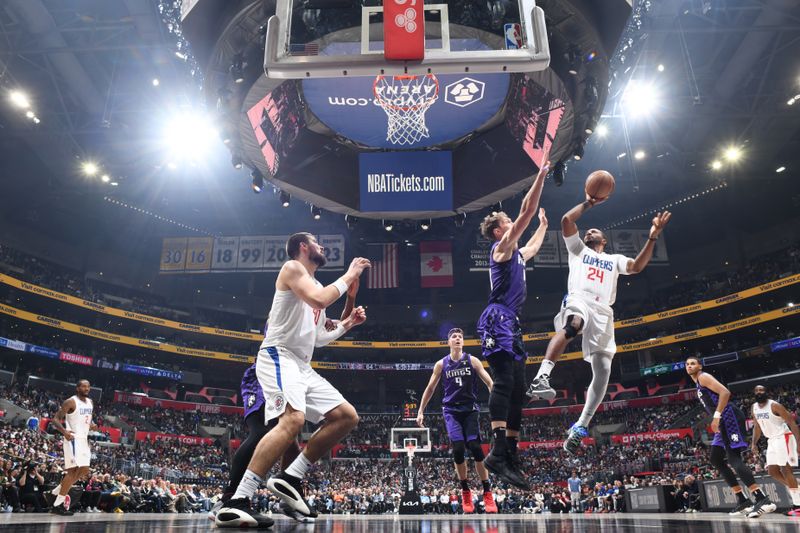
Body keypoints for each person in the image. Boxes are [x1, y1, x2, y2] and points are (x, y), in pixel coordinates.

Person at [215, 233, 370, 528]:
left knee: (346, 417)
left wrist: (349, 317)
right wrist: (351, 273)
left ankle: (290, 476)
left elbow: (320, 337)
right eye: (316, 242)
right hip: (278, 355)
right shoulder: (292, 269)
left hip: (301, 365)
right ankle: (236, 500)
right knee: (292, 421)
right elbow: (320, 298)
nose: (321, 247)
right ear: (303, 247)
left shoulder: (317, 287)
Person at [526, 190, 671, 454]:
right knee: (574, 325)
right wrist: (589, 203)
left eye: (594, 231)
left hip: (604, 311)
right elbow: (566, 222)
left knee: (603, 370)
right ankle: (542, 376)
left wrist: (652, 236)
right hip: (579, 299)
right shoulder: (578, 250)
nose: (588, 232)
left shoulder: (613, 260)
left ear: (604, 240)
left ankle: (580, 426)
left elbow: (637, 267)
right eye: (587, 231)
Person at [476, 146, 550, 489]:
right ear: (499, 231)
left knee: (520, 389)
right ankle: (496, 452)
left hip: (512, 321)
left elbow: (532, 247)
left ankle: (510, 454)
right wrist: (540, 177)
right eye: (508, 223)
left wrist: (543, 227)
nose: (512, 225)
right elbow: (526, 209)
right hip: (498, 318)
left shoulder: (517, 253)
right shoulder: (500, 248)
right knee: (504, 382)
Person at [416, 327, 497, 514]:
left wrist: (497, 400)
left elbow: (489, 382)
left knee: (476, 448)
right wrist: (421, 411)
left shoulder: (472, 360)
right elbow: (430, 388)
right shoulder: (441, 364)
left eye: (460, 336)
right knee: (459, 449)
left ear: (463, 342)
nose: (458, 338)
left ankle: (487, 492)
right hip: (451, 410)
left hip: (469, 408)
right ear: (449, 342)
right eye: (454, 336)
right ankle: (465, 491)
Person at [685, 356, 776, 517]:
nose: (689, 366)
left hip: (729, 417)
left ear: (699, 366)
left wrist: (717, 416)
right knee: (715, 459)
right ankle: (743, 499)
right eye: (687, 364)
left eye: (693, 363)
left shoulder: (703, 377)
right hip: (723, 421)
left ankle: (763, 499)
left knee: (733, 458)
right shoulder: (697, 382)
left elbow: (725, 392)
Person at [48, 379, 96, 515]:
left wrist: (92, 425)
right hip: (73, 438)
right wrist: (64, 432)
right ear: (78, 388)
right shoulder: (71, 401)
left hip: (84, 439)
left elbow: (87, 418)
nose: (87, 389)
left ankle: (57, 491)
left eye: (88, 386)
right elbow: (55, 419)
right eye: (84, 386)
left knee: (85, 470)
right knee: (73, 471)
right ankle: (57, 505)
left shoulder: (90, 402)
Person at [750, 384, 800, 516]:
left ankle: (798, 505)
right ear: (754, 393)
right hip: (771, 440)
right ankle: (797, 489)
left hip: (784, 437)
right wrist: (753, 443)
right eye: (757, 390)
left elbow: (792, 422)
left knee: (785, 470)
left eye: (762, 390)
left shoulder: (774, 405)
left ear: (766, 392)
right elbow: (757, 427)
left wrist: (799, 442)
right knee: (772, 471)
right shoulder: (754, 407)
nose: (759, 392)